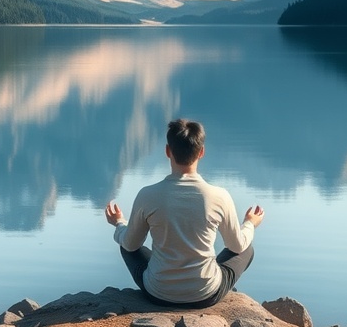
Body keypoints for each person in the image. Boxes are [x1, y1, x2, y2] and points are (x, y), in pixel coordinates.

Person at [105, 118, 264, 308]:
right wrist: (249, 224)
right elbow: (236, 246)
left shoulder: (147, 195)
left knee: (126, 243)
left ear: (167, 151)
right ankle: (204, 282)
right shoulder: (219, 196)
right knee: (247, 247)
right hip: (205, 295)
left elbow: (131, 245)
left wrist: (119, 223)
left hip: (158, 293)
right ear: (201, 152)